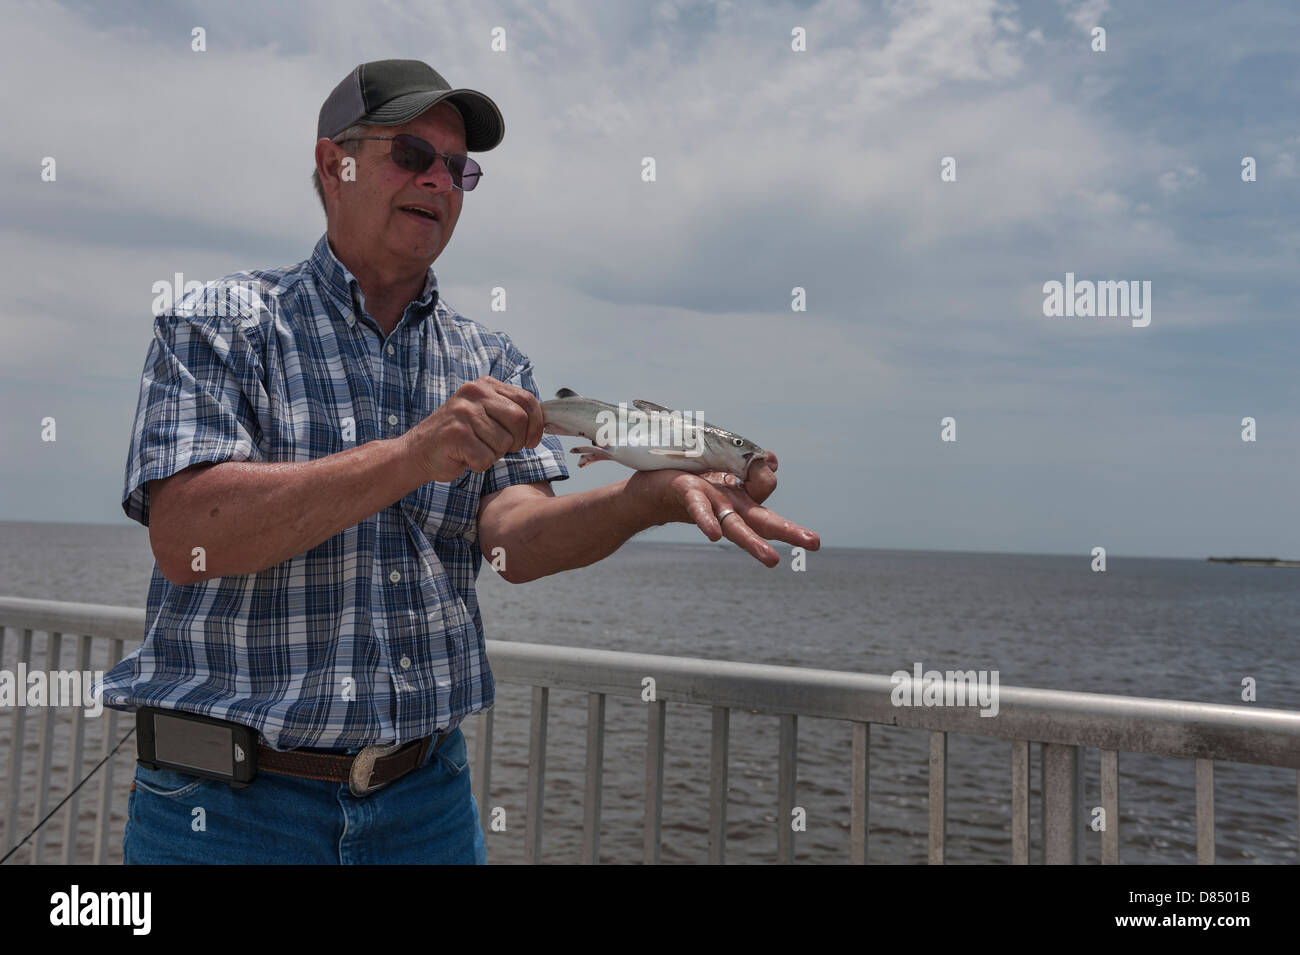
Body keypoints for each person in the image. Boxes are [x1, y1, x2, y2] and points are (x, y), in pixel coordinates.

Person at [99, 58, 820, 865]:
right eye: (411, 154)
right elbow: (188, 532)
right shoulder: (219, 322)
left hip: (424, 808)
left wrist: (645, 498)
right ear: (330, 163)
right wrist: (411, 454)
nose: (439, 180)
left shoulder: (490, 357)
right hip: (227, 814)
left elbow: (515, 539)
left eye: (460, 168)